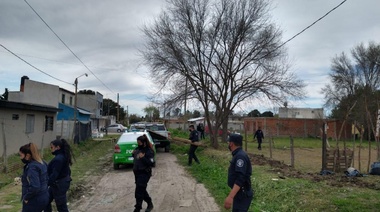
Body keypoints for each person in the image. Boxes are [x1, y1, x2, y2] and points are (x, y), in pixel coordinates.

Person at [224, 134, 253, 212]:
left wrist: (230, 197)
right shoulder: (238, 154)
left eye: (228, 142)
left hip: (242, 194)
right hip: (239, 193)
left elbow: (240, 178)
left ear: (231, 143)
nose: (228, 144)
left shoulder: (240, 157)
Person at [45, 139, 74, 212]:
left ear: (57, 147)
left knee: (61, 206)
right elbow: (68, 170)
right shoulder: (62, 156)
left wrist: (46, 184)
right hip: (58, 183)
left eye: (52, 147)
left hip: (59, 185)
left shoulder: (59, 159)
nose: (50, 149)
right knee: (45, 200)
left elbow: (55, 174)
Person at [19, 143, 49, 212]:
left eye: (21, 155)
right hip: (44, 195)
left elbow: (35, 186)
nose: (20, 158)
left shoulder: (32, 167)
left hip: (34, 199)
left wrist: (26, 197)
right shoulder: (42, 163)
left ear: (28, 156)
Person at [132, 134, 155, 212]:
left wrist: (143, 158)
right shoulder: (137, 149)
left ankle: (137, 208)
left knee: (139, 191)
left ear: (144, 143)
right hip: (137, 173)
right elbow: (136, 159)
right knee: (141, 189)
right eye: (137, 143)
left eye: (139, 143)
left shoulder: (149, 151)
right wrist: (133, 154)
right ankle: (149, 203)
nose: (138, 144)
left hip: (145, 173)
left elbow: (151, 163)